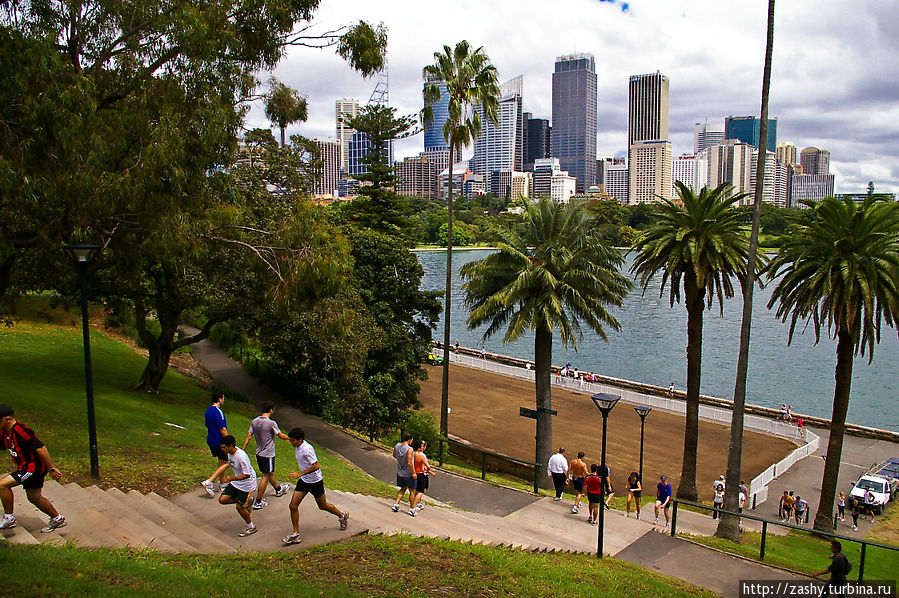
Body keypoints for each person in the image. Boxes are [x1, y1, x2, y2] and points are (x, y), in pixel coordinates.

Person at [0, 405, 66, 533]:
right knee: (34, 497)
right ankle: (57, 518)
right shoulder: (4, 432)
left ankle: (9, 518)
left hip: (32, 468)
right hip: (25, 467)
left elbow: (41, 448)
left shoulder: (21, 431)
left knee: (2, 485)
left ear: (7, 419)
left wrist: (51, 469)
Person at [282, 427, 348, 545]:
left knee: (323, 506)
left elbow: (316, 466)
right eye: (290, 440)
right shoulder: (297, 444)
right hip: (304, 481)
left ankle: (342, 515)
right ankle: (295, 534)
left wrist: (299, 474)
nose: (291, 443)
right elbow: (286, 437)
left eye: (292, 441)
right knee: (292, 506)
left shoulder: (307, 449)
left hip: (315, 482)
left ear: (300, 439)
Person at [242, 402, 292, 510]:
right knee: (265, 476)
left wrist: (243, 449)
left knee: (269, 473)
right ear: (271, 410)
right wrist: (291, 438)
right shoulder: (271, 423)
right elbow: (281, 436)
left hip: (259, 453)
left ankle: (278, 489)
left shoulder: (254, 421)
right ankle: (258, 501)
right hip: (268, 454)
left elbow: (248, 436)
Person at [209, 435, 259, 537]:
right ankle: (247, 502)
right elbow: (228, 464)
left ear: (231, 446)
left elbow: (246, 475)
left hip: (247, 484)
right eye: (221, 447)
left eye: (224, 447)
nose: (222, 449)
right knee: (223, 500)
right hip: (237, 482)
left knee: (239, 508)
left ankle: (251, 526)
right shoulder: (229, 453)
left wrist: (231, 479)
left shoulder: (241, 457)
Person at [201, 390, 229, 497]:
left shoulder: (208, 411)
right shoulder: (219, 412)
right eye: (223, 398)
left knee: (221, 461)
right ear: (219, 399)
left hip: (211, 440)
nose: (223, 401)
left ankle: (223, 484)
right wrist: (229, 441)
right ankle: (209, 481)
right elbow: (222, 429)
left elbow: (208, 425)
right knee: (228, 462)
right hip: (219, 441)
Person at [409, 440, 435, 516]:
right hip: (421, 474)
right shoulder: (422, 456)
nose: (424, 447)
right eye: (423, 446)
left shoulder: (414, 454)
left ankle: (417, 503)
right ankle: (414, 506)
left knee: (416, 490)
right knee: (421, 491)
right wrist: (429, 471)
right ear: (420, 447)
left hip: (415, 473)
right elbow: (427, 466)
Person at [391, 433, 416, 512]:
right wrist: (413, 472)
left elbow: (394, 455)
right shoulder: (410, 449)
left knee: (403, 489)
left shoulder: (397, 445)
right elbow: (409, 462)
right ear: (409, 440)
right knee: (412, 491)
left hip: (400, 472)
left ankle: (396, 504)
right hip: (408, 473)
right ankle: (412, 509)